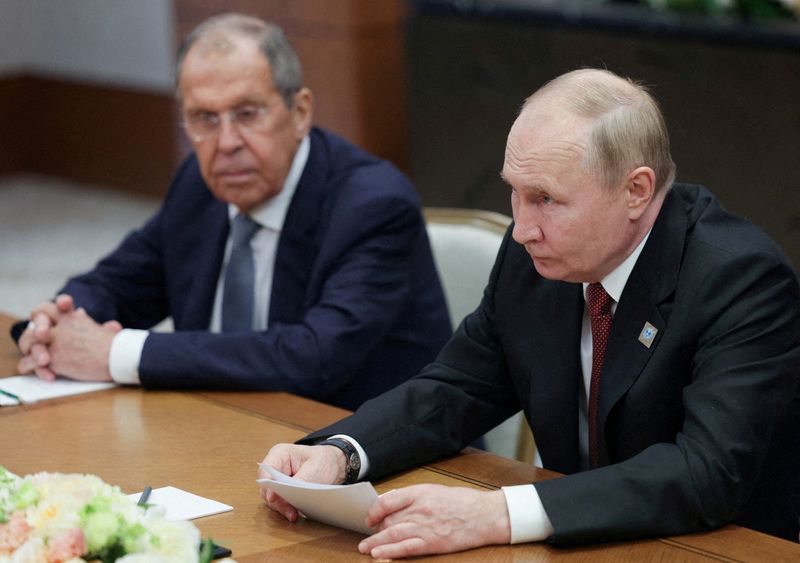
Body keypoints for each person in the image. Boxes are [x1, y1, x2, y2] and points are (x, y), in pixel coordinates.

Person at [258, 68, 800, 558]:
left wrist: (499, 511)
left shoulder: (739, 279)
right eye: (514, 193)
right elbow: (458, 388)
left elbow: (707, 471)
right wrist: (341, 456)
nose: (521, 228)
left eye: (545, 198)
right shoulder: (536, 258)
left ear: (636, 190)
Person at [10, 13, 452, 411]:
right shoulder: (199, 186)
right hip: (226, 431)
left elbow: (313, 357)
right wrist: (59, 322)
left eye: (247, 113)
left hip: (380, 461)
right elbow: (119, 282)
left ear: (300, 112)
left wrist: (117, 353)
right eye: (204, 118)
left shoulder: (373, 205)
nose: (226, 144)